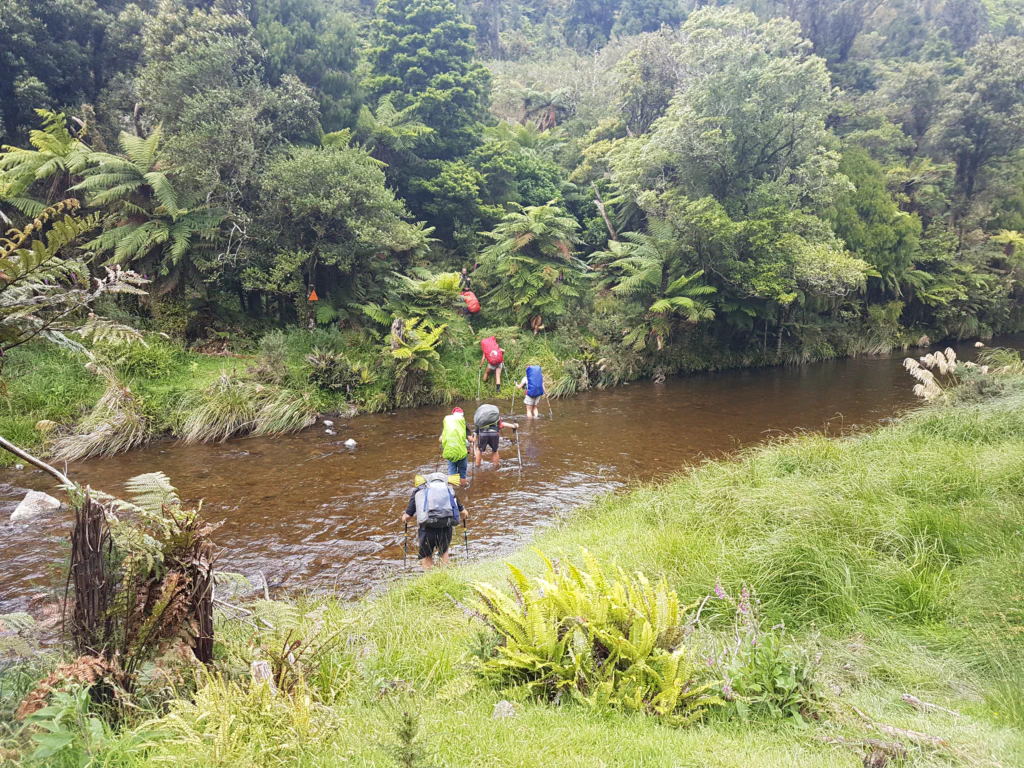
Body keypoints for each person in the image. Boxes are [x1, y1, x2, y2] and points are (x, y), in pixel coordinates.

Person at [402, 473, 466, 571]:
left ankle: (430, 578)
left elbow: (408, 516)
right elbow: (463, 512)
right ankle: (443, 575)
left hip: (427, 528)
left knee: (427, 555)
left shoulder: (419, 490)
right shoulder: (448, 489)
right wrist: (465, 515)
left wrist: (404, 519)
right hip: (445, 526)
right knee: (444, 551)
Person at [473, 403, 519, 469]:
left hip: (483, 434)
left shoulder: (481, 420)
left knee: (479, 451)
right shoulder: (496, 419)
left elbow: (476, 430)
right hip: (494, 434)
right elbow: (503, 424)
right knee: (495, 451)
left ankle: (477, 466)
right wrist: (515, 426)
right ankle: (496, 466)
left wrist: (474, 435)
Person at [439, 407, 471, 485]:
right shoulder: (464, 424)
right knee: (462, 473)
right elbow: (470, 439)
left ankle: (452, 493)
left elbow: (440, 439)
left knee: (452, 473)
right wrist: (474, 438)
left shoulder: (448, 425)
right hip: (462, 453)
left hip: (450, 452)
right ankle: (463, 492)